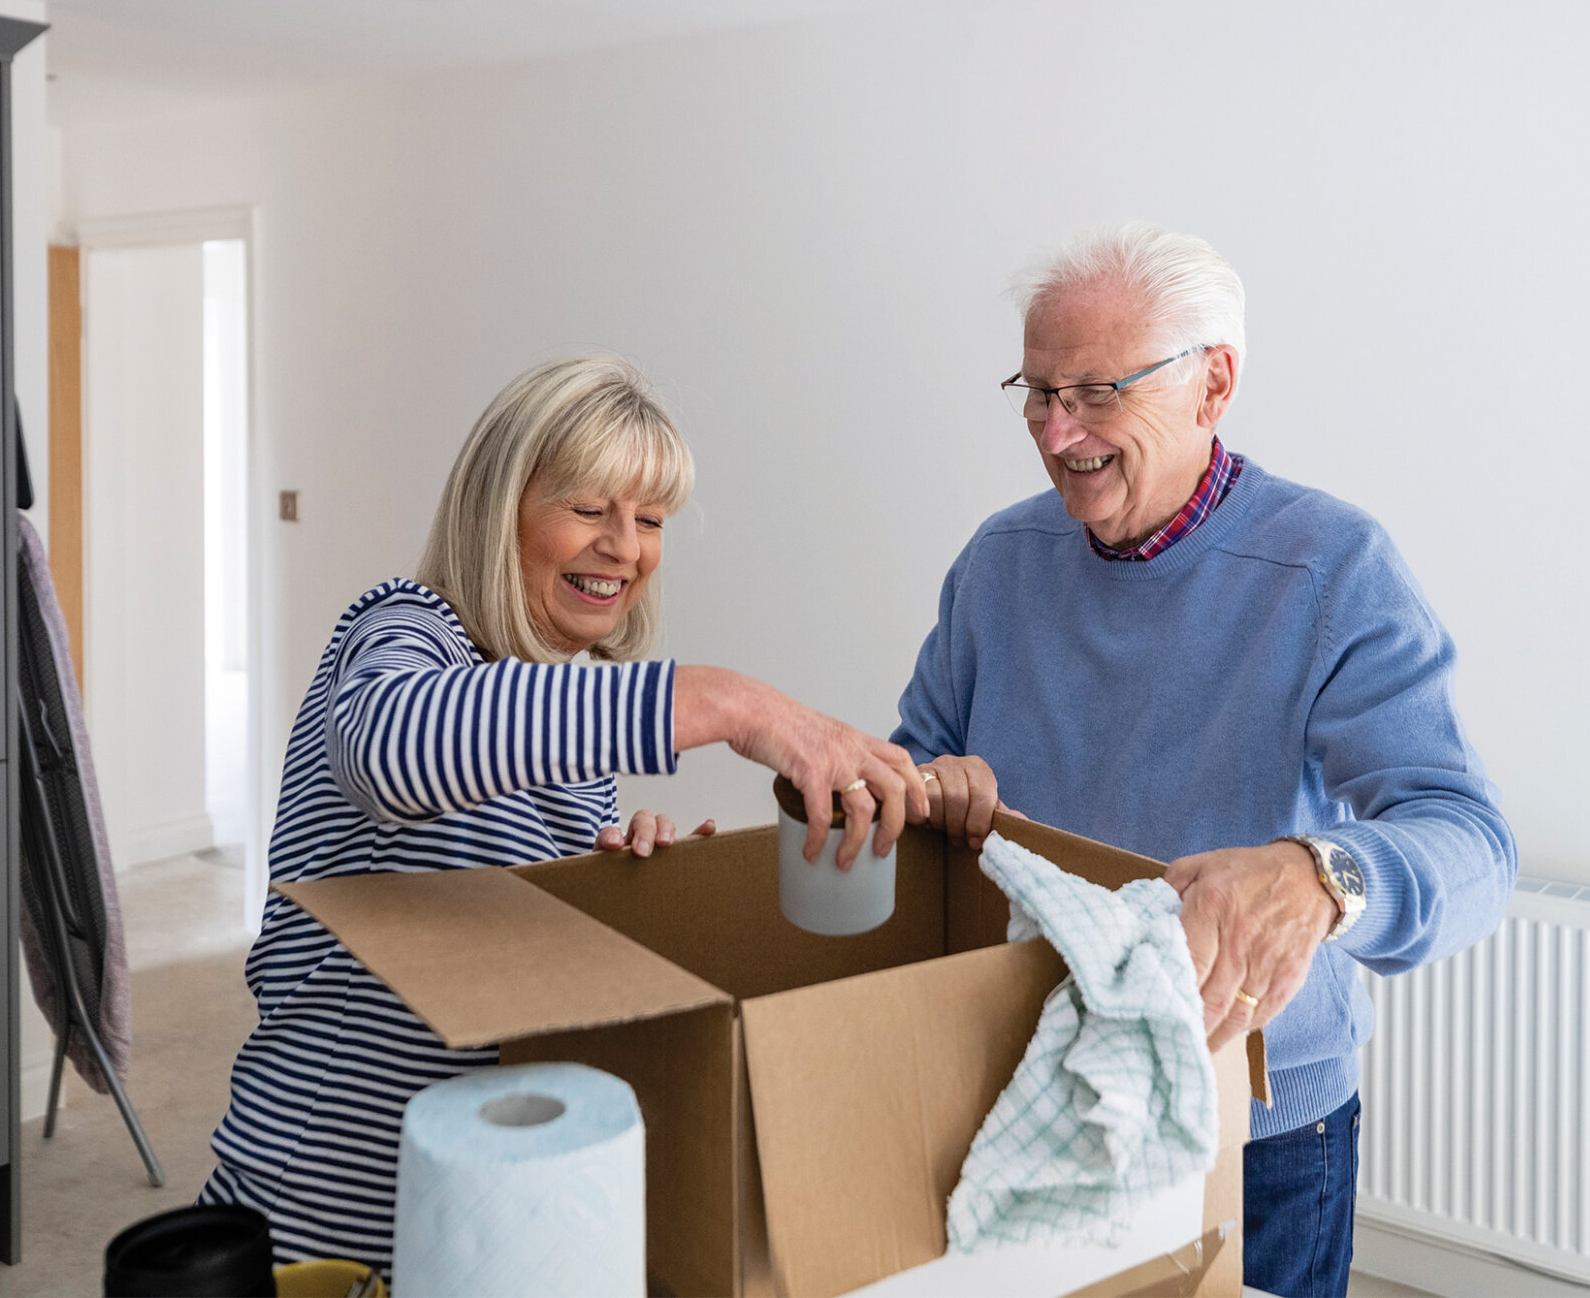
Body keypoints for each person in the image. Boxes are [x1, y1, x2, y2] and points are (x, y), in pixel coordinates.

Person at [894, 223, 1516, 1298]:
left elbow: (1470, 841)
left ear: (1213, 384)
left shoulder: (1329, 568)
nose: (1056, 431)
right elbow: (910, 770)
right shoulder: (998, 565)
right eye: (1037, 392)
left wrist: (1324, 874)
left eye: (1096, 392)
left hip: (1260, 1125)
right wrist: (922, 794)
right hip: (1032, 1089)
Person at [199, 355, 926, 1273]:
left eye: (650, 520)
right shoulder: (403, 630)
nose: (625, 546)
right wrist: (730, 703)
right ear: (500, 507)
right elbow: (386, 750)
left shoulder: (573, 736)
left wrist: (618, 882)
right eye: (589, 508)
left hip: (490, 1207)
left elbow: (521, 959)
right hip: (324, 1220)